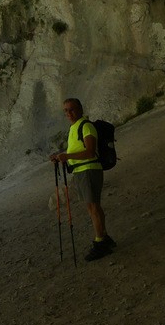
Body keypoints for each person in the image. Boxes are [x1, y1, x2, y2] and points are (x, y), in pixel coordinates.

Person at [50, 98, 116, 261]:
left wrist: (67, 156)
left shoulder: (86, 126)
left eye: (71, 109)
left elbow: (90, 152)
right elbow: (77, 149)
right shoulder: (74, 128)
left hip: (89, 171)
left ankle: (100, 243)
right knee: (93, 207)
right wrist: (61, 156)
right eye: (65, 110)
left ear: (80, 109)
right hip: (82, 172)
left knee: (93, 207)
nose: (68, 113)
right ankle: (105, 238)